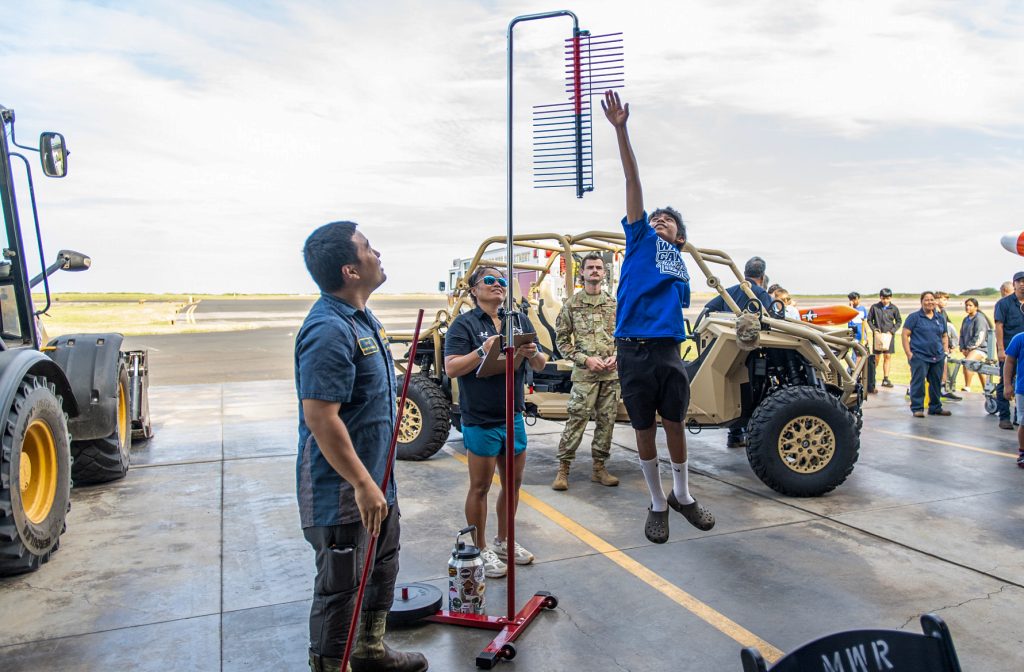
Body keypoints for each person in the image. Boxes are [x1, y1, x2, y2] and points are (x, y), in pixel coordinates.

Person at [294, 221, 428, 672]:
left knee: (381, 565)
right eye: (368, 248)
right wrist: (362, 484)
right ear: (350, 270)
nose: (378, 254)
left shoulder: (362, 319)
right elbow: (321, 417)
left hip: (376, 481)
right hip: (343, 490)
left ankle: (369, 650)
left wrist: (376, 482)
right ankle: (333, 665)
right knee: (341, 586)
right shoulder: (328, 329)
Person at [603, 89, 715, 544]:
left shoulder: (680, 264)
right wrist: (622, 130)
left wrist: (681, 247)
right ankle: (656, 502)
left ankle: (681, 495)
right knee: (644, 428)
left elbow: (679, 297)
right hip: (632, 348)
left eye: (667, 220)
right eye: (655, 218)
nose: (658, 221)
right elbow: (633, 181)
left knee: (675, 424)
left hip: (667, 348)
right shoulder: (639, 240)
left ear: (680, 235)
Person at [444, 265, 548, 578]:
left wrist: (532, 352)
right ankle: (480, 548)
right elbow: (452, 368)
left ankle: (505, 540)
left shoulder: (518, 320)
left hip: (512, 414)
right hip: (481, 417)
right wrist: (482, 349)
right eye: (489, 280)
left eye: (502, 280)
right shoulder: (463, 324)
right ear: (474, 290)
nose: (497, 284)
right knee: (480, 486)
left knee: (513, 483)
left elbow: (541, 364)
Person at [552, 252, 620, 490]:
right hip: (584, 375)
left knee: (606, 422)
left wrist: (617, 355)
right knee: (577, 420)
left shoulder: (613, 304)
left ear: (604, 273)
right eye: (590, 267)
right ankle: (563, 470)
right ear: (582, 272)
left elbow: (623, 337)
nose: (594, 271)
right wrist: (585, 359)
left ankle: (599, 468)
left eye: (598, 268)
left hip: (610, 375)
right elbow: (561, 342)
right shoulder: (572, 305)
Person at [702, 256, 775, 448]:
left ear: (744, 273)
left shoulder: (730, 292)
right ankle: (752, 435)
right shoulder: (760, 293)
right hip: (753, 352)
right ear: (763, 276)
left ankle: (735, 435)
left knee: (733, 391)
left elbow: (708, 309)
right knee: (754, 392)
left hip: (728, 352)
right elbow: (773, 321)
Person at [901, 291, 951, 418]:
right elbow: (905, 335)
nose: (930, 302)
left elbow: (944, 335)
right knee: (918, 383)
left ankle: (935, 407)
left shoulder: (940, 318)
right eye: (926, 300)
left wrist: (945, 351)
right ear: (921, 302)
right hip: (920, 356)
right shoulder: (914, 317)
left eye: (932, 299)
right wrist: (909, 354)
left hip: (937, 356)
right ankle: (917, 408)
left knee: (936, 383)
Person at [993, 272, 1024, 430]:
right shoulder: (1004, 303)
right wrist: (1000, 349)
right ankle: (1004, 416)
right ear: (1014, 284)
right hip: (1009, 349)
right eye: (1019, 281)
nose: (1022, 284)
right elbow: (999, 326)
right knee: (1005, 381)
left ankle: (1019, 417)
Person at [868, 288, 902, 388]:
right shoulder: (874, 307)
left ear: (890, 298)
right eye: (883, 298)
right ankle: (871, 379)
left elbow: (899, 321)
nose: (885, 300)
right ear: (880, 297)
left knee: (887, 356)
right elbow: (869, 320)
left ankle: (886, 379)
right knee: (876, 357)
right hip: (878, 336)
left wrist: (892, 331)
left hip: (889, 336)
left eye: (887, 298)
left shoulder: (894, 308)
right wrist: (874, 330)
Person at [1000, 330, 1024, 468]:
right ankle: (1023, 453)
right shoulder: (1019, 338)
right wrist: (1007, 385)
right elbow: (1009, 362)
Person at [933, 292, 962, 401]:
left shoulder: (943, 313)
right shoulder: (933, 312)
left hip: (942, 346)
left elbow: (947, 329)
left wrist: (949, 345)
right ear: (937, 300)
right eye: (944, 300)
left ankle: (943, 389)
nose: (946, 302)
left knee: (944, 367)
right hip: (934, 345)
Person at [959, 298, 991, 391]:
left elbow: (980, 336)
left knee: (968, 362)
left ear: (976, 307)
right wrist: (962, 348)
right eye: (966, 305)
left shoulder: (979, 319)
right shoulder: (966, 319)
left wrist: (969, 348)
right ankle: (986, 389)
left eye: (970, 305)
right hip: (968, 349)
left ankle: (967, 387)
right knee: (979, 368)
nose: (967, 307)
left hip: (980, 348)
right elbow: (961, 334)